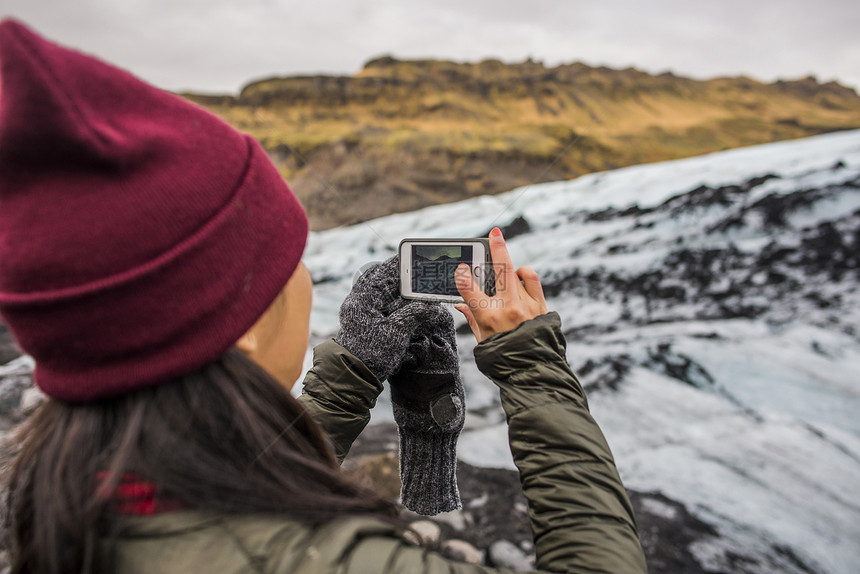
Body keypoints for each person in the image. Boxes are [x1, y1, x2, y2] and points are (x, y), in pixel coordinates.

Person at [0, 19, 648, 574]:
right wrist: (531, 363)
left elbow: (237, 493)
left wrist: (355, 366)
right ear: (243, 327)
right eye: (290, 259)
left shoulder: (69, 499)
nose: (304, 277)